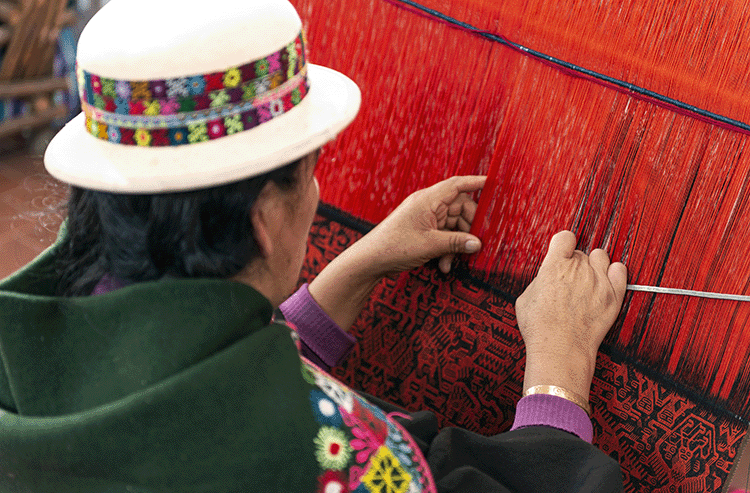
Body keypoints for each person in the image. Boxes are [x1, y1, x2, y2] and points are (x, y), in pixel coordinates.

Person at [0, 0, 627, 491]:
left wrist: (357, 267)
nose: (319, 188)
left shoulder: (21, 353)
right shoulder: (338, 456)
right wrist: (559, 370)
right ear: (267, 216)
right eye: (311, 169)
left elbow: (188, 376)